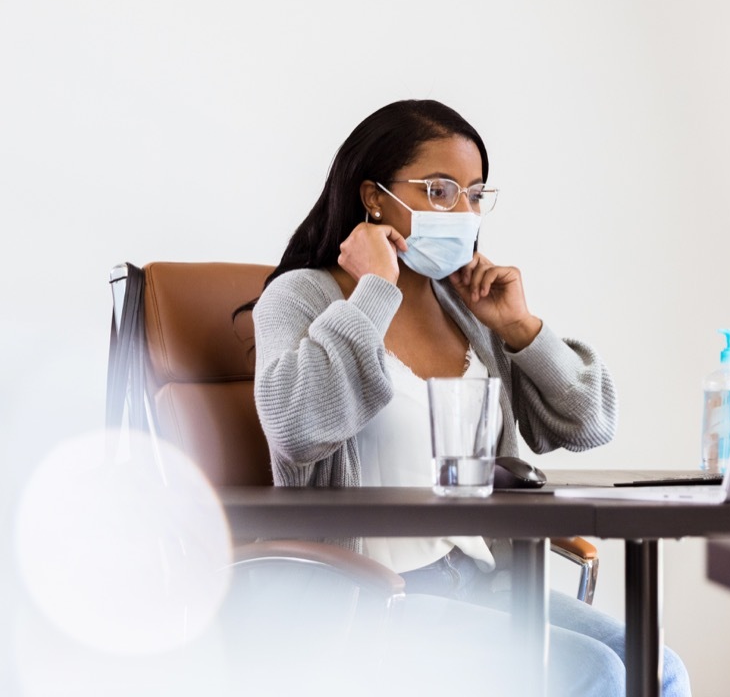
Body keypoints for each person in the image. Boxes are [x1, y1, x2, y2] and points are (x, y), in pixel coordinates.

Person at [248, 99, 691, 696]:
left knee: (659, 668)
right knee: (595, 674)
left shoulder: (465, 306)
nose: (463, 211)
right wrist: (375, 289)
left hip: (483, 579)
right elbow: (298, 423)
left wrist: (519, 329)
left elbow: (590, 422)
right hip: (376, 592)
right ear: (374, 197)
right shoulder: (302, 296)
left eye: (475, 194)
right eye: (439, 191)